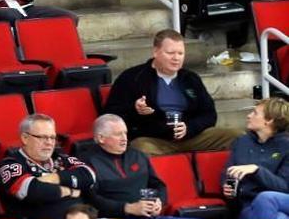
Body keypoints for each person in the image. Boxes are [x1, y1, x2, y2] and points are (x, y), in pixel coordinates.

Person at [0, 115, 131, 219]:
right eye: (42, 137)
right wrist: (68, 190)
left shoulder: (62, 159)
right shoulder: (10, 164)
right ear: (25, 138)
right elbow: (30, 190)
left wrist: (55, 178)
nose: (49, 142)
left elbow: (89, 176)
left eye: (52, 137)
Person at [103, 29, 242, 155]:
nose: (176, 58)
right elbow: (110, 115)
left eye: (180, 53)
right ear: (156, 52)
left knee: (238, 136)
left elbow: (209, 114)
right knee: (140, 148)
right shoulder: (132, 78)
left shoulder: (190, 79)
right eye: (170, 53)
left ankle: (237, 179)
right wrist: (135, 110)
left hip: (191, 137)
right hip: (155, 140)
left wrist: (190, 127)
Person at [84, 114, 211, 219]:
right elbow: (92, 200)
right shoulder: (87, 162)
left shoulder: (138, 156)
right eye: (118, 134)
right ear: (101, 138)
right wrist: (127, 208)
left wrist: (159, 202)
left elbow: (158, 185)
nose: (124, 138)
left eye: (125, 133)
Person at [223, 97, 289, 219]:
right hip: (249, 205)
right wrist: (226, 186)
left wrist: (257, 170)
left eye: (255, 113)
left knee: (266, 198)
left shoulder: (286, 146)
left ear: (269, 121)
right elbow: (227, 172)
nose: (248, 116)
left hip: (282, 200)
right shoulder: (242, 142)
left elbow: (284, 187)